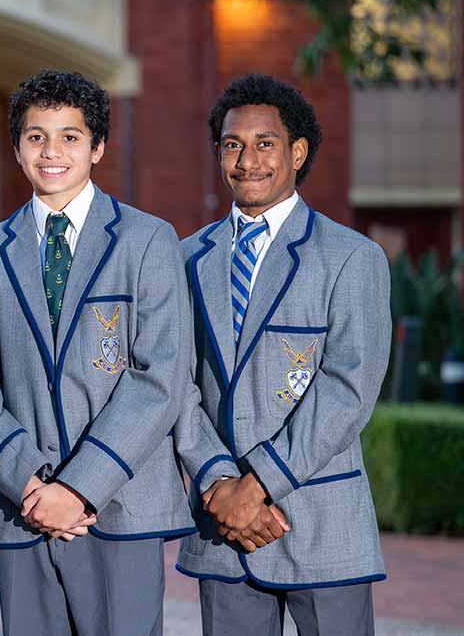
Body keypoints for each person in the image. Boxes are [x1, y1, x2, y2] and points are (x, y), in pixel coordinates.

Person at [0, 69, 196, 635]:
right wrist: (32, 484)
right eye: (36, 136)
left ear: (98, 148)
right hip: (25, 506)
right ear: (17, 149)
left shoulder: (146, 239)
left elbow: (161, 375)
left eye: (70, 136)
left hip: (122, 503)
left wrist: (80, 486)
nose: (52, 151)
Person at [175, 73, 391, 636]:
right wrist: (221, 484)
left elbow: (348, 388)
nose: (248, 160)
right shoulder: (184, 259)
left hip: (321, 523)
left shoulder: (351, 258)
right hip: (222, 529)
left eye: (265, 143)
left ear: (298, 152)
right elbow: (174, 384)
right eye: (232, 145)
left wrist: (259, 485)